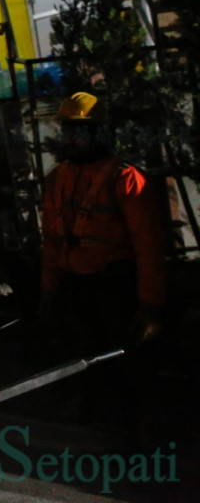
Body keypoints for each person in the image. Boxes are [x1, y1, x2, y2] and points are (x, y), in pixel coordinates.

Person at [39, 91, 167, 444]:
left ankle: (137, 431)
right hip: (76, 287)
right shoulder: (57, 179)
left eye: (82, 131)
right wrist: (49, 290)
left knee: (128, 366)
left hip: (116, 288)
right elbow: (51, 240)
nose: (74, 138)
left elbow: (148, 248)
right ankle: (102, 424)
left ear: (98, 133)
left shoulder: (125, 179)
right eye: (70, 131)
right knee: (88, 361)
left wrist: (151, 305)